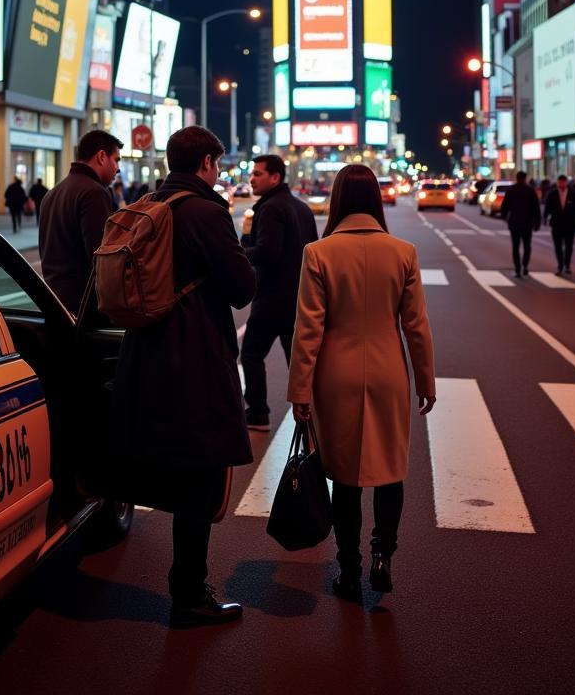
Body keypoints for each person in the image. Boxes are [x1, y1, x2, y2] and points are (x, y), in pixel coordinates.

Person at [110, 126, 256, 628]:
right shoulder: (207, 212)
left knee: (165, 465)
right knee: (201, 474)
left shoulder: (150, 205)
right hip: (193, 354)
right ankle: (189, 593)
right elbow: (241, 289)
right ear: (207, 164)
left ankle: (186, 585)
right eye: (217, 162)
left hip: (146, 351)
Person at [287, 164, 435, 604]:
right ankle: (382, 556)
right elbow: (417, 326)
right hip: (389, 371)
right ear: (374, 199)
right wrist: (425, 379)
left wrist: (299, 391)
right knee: (391, 471)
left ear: (336, 200)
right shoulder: (403, 251)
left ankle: (348, 569)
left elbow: (307, 330)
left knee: (345, 476)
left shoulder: (319, 253)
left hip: (337, 374)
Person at [239, 154, 318, 431]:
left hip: (271, 296)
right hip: (298, 298)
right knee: (295, 360)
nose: (252, 178)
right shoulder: (301, 207)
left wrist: (239, 252)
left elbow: (267, 253)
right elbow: (314, 251)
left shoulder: (271, 208)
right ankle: (310, 413)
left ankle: (258, 413)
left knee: (250, 354)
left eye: (258, 173)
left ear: (275, 177)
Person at [38, 130, 122, 316]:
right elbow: (100, 255)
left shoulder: (53, 193)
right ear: (101, 157)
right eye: (116, 160)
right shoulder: (94, 192)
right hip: (85, 305)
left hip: (55, 300)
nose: (118, 168)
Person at [499, 170, 541, 277]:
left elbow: (505, 206)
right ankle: (525, 266)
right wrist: (537, 222)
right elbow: (536, 208)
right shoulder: (530, 191)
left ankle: (517, 268)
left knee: (515, 246)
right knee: (527, 245)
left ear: (516, 178)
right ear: (525, 178)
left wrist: (505, 217)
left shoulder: (511, 190)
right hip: (527, 223)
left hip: (514, 222)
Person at [544, 174, 575, 274]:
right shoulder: (552, 194)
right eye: (560, 182)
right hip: (556, 223)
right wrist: (545, 218)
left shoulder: (574, 194)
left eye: (563, 182)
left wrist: (571, 211)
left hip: (570, 223)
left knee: (569, 245)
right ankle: (560, 265)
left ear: (566, 183)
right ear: (557, 182)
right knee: (558, 246)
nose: (561, 184)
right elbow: (547, 207)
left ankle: (567, 265)